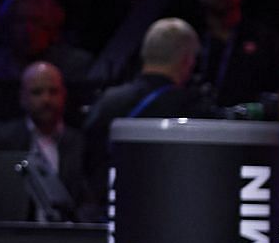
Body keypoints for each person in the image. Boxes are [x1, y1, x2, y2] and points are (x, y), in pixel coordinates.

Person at [82, 17, 204, 193]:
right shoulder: (190, 107)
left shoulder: (108, 101)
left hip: (111, 207)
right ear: (187, 60)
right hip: (167, 209)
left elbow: (90, 163)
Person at [0, 60, 87, 218]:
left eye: (53, 91)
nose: (46, 100)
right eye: (37, 92)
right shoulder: (0, 139)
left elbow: (91, 202)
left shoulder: (81, 143)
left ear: (64, 95)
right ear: (22, 97)